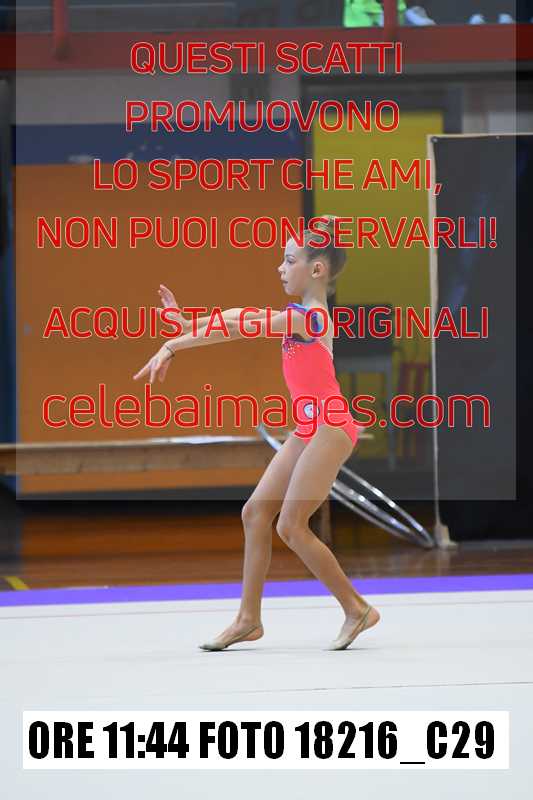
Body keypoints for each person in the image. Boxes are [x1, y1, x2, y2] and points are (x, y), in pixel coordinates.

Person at [133, 216, 381, 651]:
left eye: (289, 261)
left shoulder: (311, 318)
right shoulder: (298, 317)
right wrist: (186, 325)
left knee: (291, 526)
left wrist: (174, 344)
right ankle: (248, 619)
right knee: (255, 513)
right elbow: (233, 322)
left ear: (316, 269)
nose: (279, 268)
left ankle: (356, 608)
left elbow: (238, 323)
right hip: (310, 426)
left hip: (330, 425)